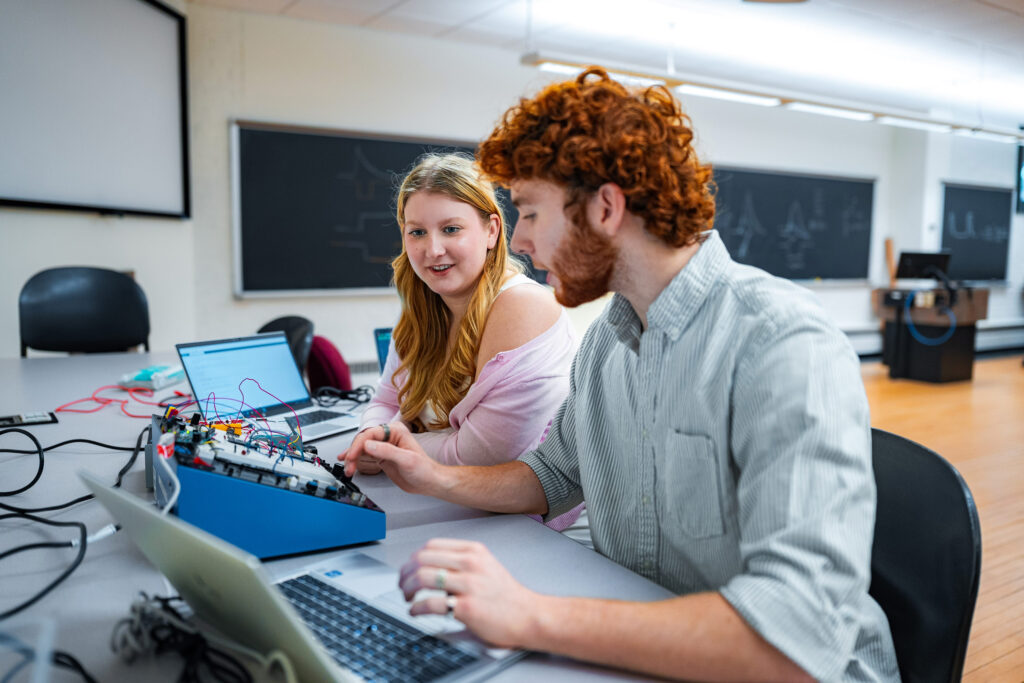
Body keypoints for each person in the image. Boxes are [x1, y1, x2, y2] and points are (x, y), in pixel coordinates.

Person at [339, 70, 900, 681]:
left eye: (528, 212)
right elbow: (550, 478)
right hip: (640, 639)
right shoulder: (610, 337)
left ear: (605, 207)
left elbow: (798, 635)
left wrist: (529, 615)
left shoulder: (781, 342)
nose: (519, 240)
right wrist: (431, 477)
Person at [344, 153, 582, 531]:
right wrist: (371, 434)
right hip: (445, 506)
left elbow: (480, 456)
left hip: (526, 528)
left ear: (491, 231)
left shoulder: (524, 305)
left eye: (451, 229)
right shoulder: (421, 308)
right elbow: (385, 400)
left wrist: (385, 445)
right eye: (417, 232)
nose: (432, 249)